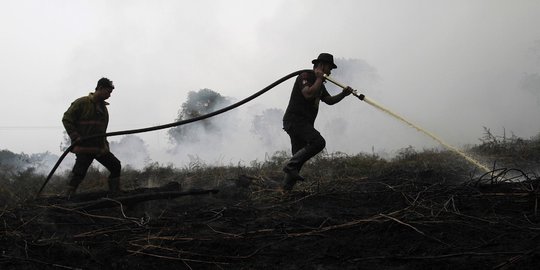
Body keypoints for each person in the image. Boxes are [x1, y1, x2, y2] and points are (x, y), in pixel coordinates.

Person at [282, 53, 354, 191]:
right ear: (321, 65)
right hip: (295, 120)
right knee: (318, 142)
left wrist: (343, 94)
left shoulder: (319, 83)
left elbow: (329, 101)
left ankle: (285, 190)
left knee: (298, 158)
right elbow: (308, 93)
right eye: (329, 68)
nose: (330, 71)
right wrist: (319, 78)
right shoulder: (305, 76)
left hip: (305, 123)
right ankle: (290, 166)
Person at [62, 77, 122, 197]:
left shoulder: (104, 110)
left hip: (99, 148)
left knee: (115, 166)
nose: (109, 95)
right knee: (79, 173)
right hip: (84, 148)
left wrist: (105, 146)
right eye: (108, 92)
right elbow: (67, 119)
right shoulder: (81, 103)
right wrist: (75, 136)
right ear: (99, 88)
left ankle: (115, 194)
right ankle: (67, 197)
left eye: (110, 93)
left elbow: (103, 131)